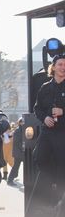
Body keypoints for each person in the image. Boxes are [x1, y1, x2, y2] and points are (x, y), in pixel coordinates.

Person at [33, 54, 65, 203]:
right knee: (39, 157)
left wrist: (63, 111)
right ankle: (51, 183)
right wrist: (45, 118)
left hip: (62, 132)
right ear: (53, 67)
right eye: (60, 64)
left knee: (61, 162)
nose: (63, 67)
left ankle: (59, 194)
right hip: (47, 130)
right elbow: (37, 109)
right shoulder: (45, 87)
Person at [7, 117, 25, 186]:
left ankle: (11, 179)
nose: (24, 123)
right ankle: (10, 180)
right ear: (20, 123)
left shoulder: (22, 130)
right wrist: (24, 147)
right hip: (18, 152)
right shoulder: (18, 131)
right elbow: (17, 142)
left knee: (16, 167)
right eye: (23, 122)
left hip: (20, 152)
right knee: (15, 167)